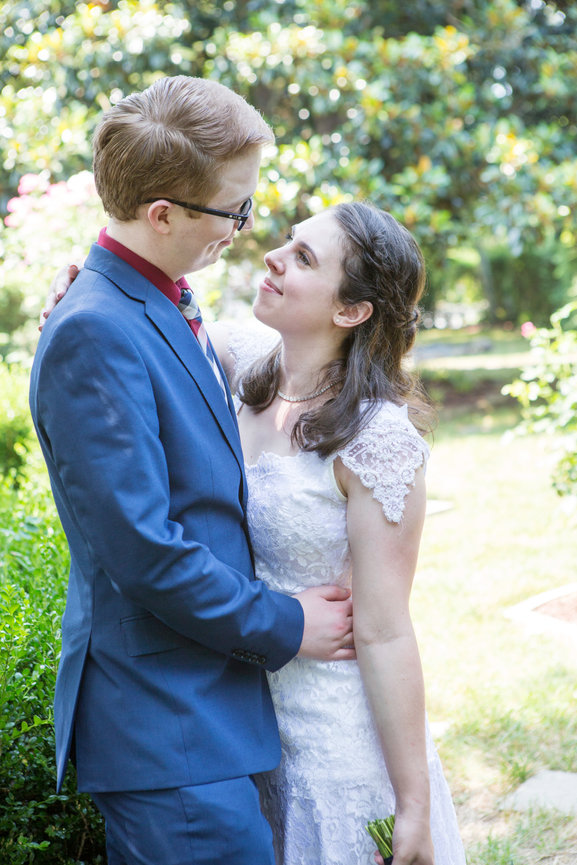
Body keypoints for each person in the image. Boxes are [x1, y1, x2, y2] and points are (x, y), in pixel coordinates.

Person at [45, 202, 468, 865]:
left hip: (329, 731)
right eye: (288, 242)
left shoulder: (378, 438)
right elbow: (139, 311)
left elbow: (384, 630)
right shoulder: (239, 362)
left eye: (304, 258)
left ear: (352, 311)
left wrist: (411, 802)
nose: (272, 255)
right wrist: (81, 281)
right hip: (227, 711)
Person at [30, 75, 357, 865]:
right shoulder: (96, 332)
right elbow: (145, 551)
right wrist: (289, 624)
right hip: (163, 725)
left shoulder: (152, 297)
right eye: (234, 209)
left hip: (204, 712)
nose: (246, 228)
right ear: (162, 214)